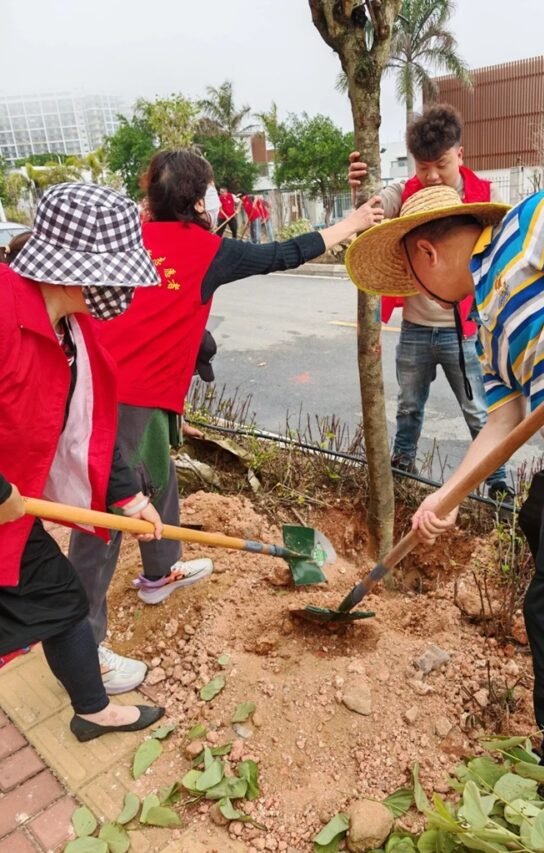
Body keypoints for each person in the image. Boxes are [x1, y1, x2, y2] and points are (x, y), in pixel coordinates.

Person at [346, 181, 544, 782]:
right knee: (540, 518)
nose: (414, 292)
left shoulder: (528, 223)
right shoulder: (486, 326)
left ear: (426, 253)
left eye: (409, 279)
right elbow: (504, 422)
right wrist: (447, 495)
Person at [68, 149, 383, 693]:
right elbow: (283, 253)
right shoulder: (208, 250)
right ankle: (81, 649)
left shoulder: (132, 237)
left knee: (159, 477)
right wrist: (352, 223)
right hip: (118, 397)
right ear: (197, 200)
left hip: (130, 390)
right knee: (107, 514)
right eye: (210, 190)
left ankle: (160, 572)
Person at [0, 182, 165, 741]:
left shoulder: (71, 330)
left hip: (12, 511)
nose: (120, 287)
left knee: (59, 596)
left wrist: (130, 496)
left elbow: (90, 424)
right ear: (76, 268)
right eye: (114, 272)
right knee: (58, 597)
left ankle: (91, 710)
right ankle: (93, 709)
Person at [348, 105, 512, 501]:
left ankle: (498, 481)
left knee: (478, 409)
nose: (432, 175)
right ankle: (402, 463)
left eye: (441, 164)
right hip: (416, 328)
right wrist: (359, 187)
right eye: (423, 167)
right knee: (409, 405)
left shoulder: (486, 197)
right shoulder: (404, 194)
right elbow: (371, 211)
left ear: (460, 154)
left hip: (466, 332)